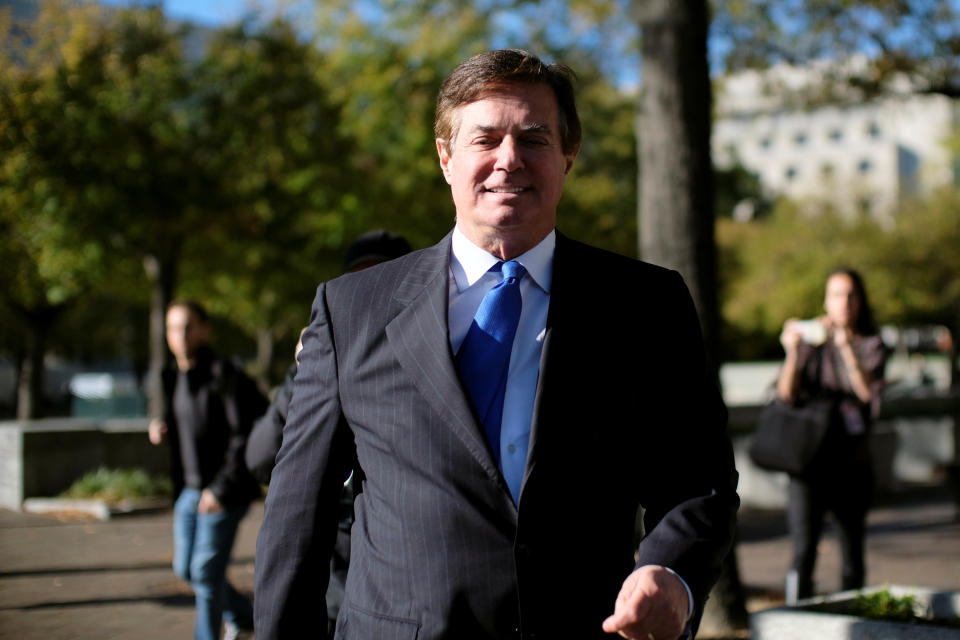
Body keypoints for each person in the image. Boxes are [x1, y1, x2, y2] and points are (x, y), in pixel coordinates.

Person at [254, 49, 739, 640]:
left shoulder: (647, 305)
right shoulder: (352, 310)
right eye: (485, 139)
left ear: (568, 156)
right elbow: (297, 515)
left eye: (534, 138)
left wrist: (674, 572)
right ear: (445, 157)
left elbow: (698, 478)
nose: (509, 160)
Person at [244, 230, 412, 635]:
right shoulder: (328, 346)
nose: (370, 292)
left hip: (393, 579)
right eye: (359, 278)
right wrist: (305, 374)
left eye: (383, 275)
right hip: (335, 573)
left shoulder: (424, 360)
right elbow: (261, 457)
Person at [149, 300, 267, 640]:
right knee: (185, 568)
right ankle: (244, 616)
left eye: (187, 327)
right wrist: (159, 424)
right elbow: (175, 414)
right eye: (173, 328)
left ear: (205, 329)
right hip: (188, 489)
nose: (180, 336)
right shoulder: (171, 375)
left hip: (223, 491)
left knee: (204, 572)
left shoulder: (225, 375)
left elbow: (244, 436)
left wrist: (219, 489)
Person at [775, 268, 887, 602]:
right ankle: (796, 622)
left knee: (852, 552)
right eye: (837, 295)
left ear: (861, 300)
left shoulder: (872, 344)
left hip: (850, 460)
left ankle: (854, 622)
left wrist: (847, 349)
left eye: (851, 295)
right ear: (826, 300)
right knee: (803, 551)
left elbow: (869, 395)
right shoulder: (811, 341)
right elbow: (785, 395)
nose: (844, 303)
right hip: (808, 460)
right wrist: (793, 351)